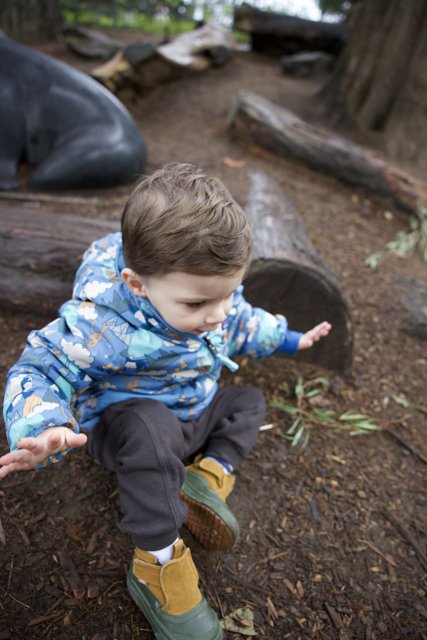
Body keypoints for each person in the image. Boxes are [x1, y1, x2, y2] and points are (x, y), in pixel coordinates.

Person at [1, 163, 331, 640]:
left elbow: (240, 321)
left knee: (249, 404)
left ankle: (204, 477)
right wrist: (42, 426)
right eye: (197, 305)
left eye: (228, 293)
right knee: (154, 435)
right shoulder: (102, 325)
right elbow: (38, 367)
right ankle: (156, 566)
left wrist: (286, 339)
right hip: (131, 426)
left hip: (193, 407)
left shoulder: (206, 294)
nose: (216, 315)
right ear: (138, 284)